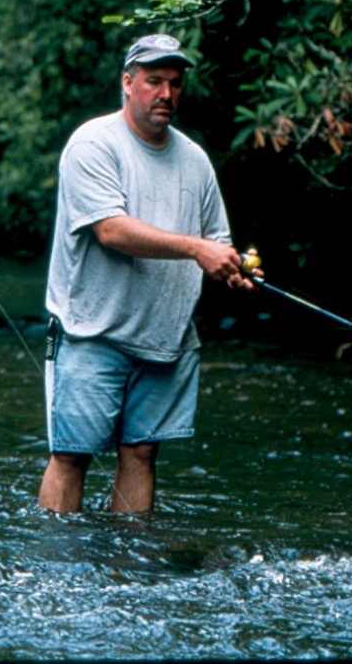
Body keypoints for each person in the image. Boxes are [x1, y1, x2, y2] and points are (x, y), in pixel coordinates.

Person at [39, 33, 258, 514]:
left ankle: (128, 566)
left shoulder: (195, 160)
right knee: (72, 455)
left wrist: (232, 270)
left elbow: (216, 244)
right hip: (91, 332)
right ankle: (56, 568)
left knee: (141, 452)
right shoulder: (93, 144)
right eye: (154, 81)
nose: (166, 94)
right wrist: (197, 249)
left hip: (167, 338)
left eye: (175, 84)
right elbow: (112, 231)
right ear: (127, 82)